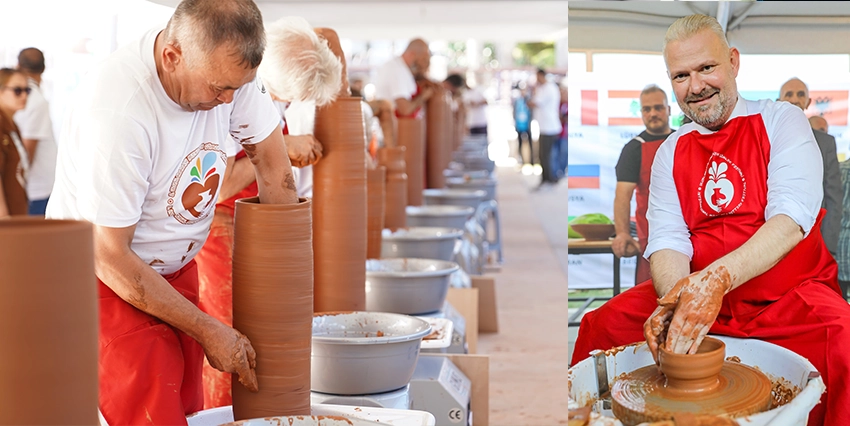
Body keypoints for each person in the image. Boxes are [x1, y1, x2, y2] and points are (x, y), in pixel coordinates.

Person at [571, 15, 850, 425]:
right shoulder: (670, 150)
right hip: (694, 294)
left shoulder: (781, 121)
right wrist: (674, 300)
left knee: (844, 342)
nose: (696, 86)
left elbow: (790, 219)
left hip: (786, 297)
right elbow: (668, 241)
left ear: (734, 62)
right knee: (601, 326)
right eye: (681, 75)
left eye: (707, 68)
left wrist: (715, 282)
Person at [45, 1, 301, 424]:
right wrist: (207, 328)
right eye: (219, 88)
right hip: (103, 277)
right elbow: (110, 255)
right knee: (152, 413)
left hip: (176, 268)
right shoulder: (118, 112)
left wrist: (286, 293)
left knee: (186, 407)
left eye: (239, 88)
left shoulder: (229, 77)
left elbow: (274, 166)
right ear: (172, 56)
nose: (228, 101)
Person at [194, 15, 342, 409]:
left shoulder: (268, 95)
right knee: (228, 332)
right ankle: (222, 414)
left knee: (260, 328)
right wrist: (282, 149)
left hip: (249, 221)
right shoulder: (229, 96)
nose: (290, 105)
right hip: (216, 223)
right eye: (289, 98)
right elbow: (218, 185)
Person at [612, 85, 675, 285]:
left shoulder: (684, 140)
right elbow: (623, 196)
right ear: (641, 113)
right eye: (647, 109)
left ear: (669, 109)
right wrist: (622, 233)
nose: (653, 113)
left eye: (658, 107)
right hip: (651, 241)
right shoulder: (633, 149)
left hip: (691, 236)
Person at [779, 77, 843, 259]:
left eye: (800, 94)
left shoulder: (826, 142)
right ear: (779, 101)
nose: (794, 99)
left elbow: (834, 197)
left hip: (815, 240)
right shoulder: (765, 138)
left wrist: (828, 247)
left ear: (808, 102)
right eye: (788, 94)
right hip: (773, 237)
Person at [14, 48, 55, 215]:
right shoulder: (36, 100)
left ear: (17, 65)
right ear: (43, 68)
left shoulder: (28, 97)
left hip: (35, 186)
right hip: (35, 189)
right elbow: (27, 152)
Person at [374, 38, 434, 119]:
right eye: (422, 60)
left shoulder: (402, 68)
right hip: (396, 128)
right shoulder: (396, 69)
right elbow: (405, 110)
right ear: (412, 54)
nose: (422, 65)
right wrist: (423, 97)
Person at [0, 68, 30, 217]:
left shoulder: (12, 126)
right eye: (17, 90)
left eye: (27, 90)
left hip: (17, 214)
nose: (24, 95)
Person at [528, 68, 562, 187]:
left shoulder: (548, 88)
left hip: (549, 127)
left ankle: (548, 179)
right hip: (545, 126)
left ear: (541, 75)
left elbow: (535, 103)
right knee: (544, 155)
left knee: (546, 155)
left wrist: (528, 98)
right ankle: (547, 178)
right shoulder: (545, 88)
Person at [512, 84, 533, 166]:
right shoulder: (517, 101)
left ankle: (531, 161)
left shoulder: (528, 100)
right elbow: (514, 112)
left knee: (529, 144)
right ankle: (521, 161)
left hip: (527, 125)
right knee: (520, 144)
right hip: (519, 125)